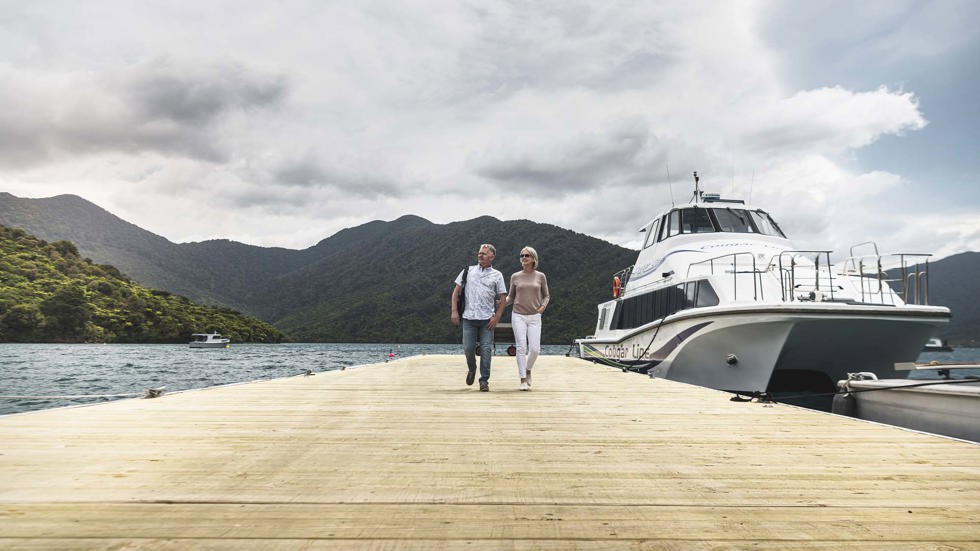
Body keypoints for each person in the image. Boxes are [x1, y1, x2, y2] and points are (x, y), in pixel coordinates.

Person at [451, 244, 507, 391]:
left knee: (486, 350)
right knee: (468, 348)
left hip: (487, 320)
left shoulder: (497, 275)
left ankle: (484, 381)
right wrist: (454, 311)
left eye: (484, 253)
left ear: (492, 256)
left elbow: (503, 298)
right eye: (479, 253)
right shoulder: (467, 271)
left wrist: (497, 318)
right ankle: (472, 368)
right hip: (468, 318)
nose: (480, 255)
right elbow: (455, 293)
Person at [507, 246, 549, 391]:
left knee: (535, 349)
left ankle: (528, 369)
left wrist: (542, 307)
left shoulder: (541, 276)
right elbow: (511, 297)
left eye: (527, 256)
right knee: (521, 347)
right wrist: (500, 302)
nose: (523, 258)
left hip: (535, 316)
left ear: (533, 259)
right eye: (521, 255)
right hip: (518, 315)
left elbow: (546, 296)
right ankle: (523, 379)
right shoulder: (515, 276)